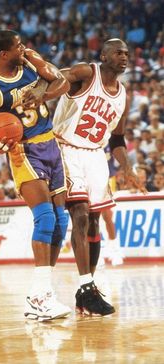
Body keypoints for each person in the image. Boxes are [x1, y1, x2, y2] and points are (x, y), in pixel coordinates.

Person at [0, 30, 71, 321]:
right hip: (24, 151)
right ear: (4, 54)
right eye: (17, 46)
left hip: (50, 144)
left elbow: (61, 82)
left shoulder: (31, 60)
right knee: (45, 217)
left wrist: (44, 92)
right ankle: (39, 296)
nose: (23, 47)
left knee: (61, 221)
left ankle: (42, 293)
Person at [53, 38, 147, 316]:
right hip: (66, 148)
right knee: (79, 213)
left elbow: (117, 139)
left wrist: (127, 168)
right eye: (118, 52)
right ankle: (85, 287)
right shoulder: (86, 73)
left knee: (95, 220)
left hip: (96, 154)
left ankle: (87, 291)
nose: (124, 57)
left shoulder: (123, 95)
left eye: (127, 53)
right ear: (104, 55)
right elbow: (57, 79)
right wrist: (40, 94)